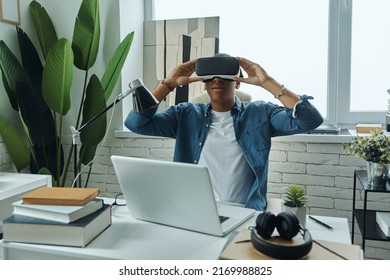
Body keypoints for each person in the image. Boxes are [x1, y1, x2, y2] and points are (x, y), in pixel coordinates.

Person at [125, 54, 323, 211]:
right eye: (211, 75)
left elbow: (309, 119)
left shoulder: (261, 113)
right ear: (204, 82)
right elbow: (136, 123)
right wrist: (168, 84)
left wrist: (266, 81)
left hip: (245, 212)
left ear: (237, 82)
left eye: (225, 74)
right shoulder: (185, 114)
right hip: (194, 209)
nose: (217, 79)